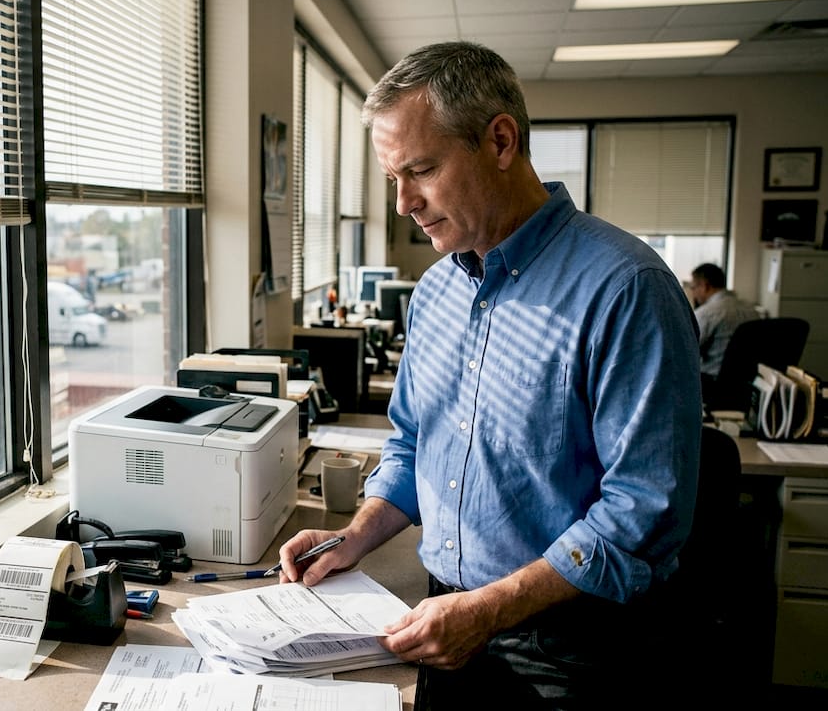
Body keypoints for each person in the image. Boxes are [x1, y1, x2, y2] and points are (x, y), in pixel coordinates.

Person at [276, 42, 702, 708]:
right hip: (446, 622)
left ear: (500, 140)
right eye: (393, 178)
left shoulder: (626, 288)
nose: (402, 204)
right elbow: (415, 443)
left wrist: (492, 608)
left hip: (571, 651)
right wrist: (358, 534)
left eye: (420, 170)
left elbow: (642, 511)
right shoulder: (437, 293)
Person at [688, 262, 760, 387]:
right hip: (748, 384)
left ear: (705, 286)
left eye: (693, 288)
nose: (693, 294)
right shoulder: (751, 310)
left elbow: (687, 349)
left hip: (712, 382)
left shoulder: (707, 313)